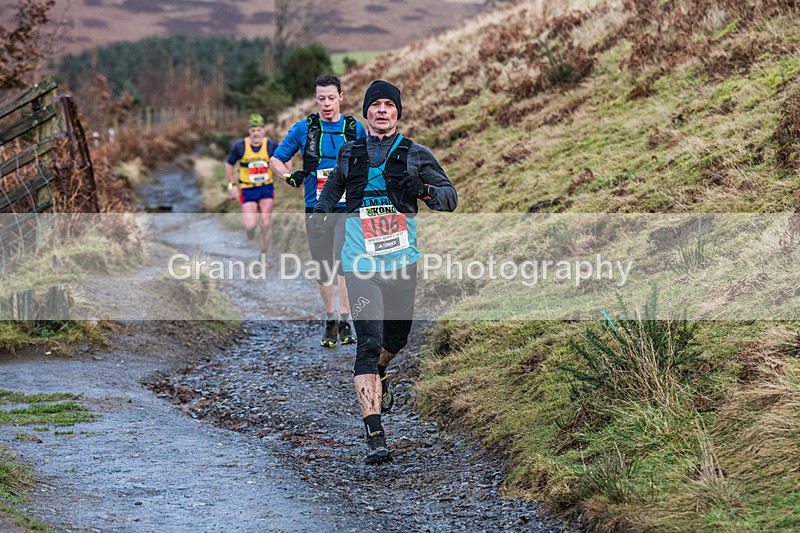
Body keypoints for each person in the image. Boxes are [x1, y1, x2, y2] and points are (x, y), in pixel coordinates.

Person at [310, 80, 458, 465]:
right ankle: (375, 435)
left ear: (397, 113)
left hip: (401, 264)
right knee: (368, 342)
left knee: (397, 338)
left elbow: (450, 200)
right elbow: (330, 194)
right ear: (365, 113)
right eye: (374, 105)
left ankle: (380, 374)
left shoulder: (415, 154)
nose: (381, 111)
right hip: (360, 264)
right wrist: (321, 216)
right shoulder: (350, 153)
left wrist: (423, 190)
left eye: (388, 106)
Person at [270, 74, 367, 348]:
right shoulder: (304, 129)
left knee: (343, 260)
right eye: (321, 98)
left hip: (347, 207)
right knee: (323, 266)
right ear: (316, 99)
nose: (326, 104)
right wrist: (289, 177)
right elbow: (276, 159)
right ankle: (331, 319)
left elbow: (370, 160)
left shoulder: (354, 128)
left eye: (331, 98)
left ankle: (347, 320)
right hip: (316, 208)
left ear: (341, 97)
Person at [225, 114, 280, 266]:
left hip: (266, 188)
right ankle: (250, 231)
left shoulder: (271, 146)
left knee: (265, 222)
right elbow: (229, 164)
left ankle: (263, 256)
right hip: (247, 189)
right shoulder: (240, 146)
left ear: (263, 131)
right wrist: (232, 185)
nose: (256, 133)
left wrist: (288, 175)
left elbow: (283, 159)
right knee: (250, 225)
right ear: (249, 131)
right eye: (253, 130)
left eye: (259, 129)